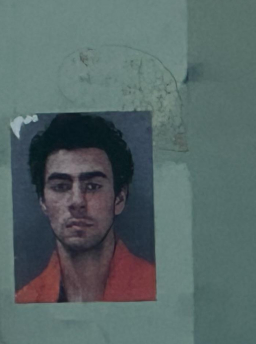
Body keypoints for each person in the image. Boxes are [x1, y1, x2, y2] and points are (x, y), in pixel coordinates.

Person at [15, 113, 156, 303]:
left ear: (119, 198)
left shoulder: (156, 290)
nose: (77, 202)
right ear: (43, 202)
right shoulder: (26, 300)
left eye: (92, 186)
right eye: (61, 187)